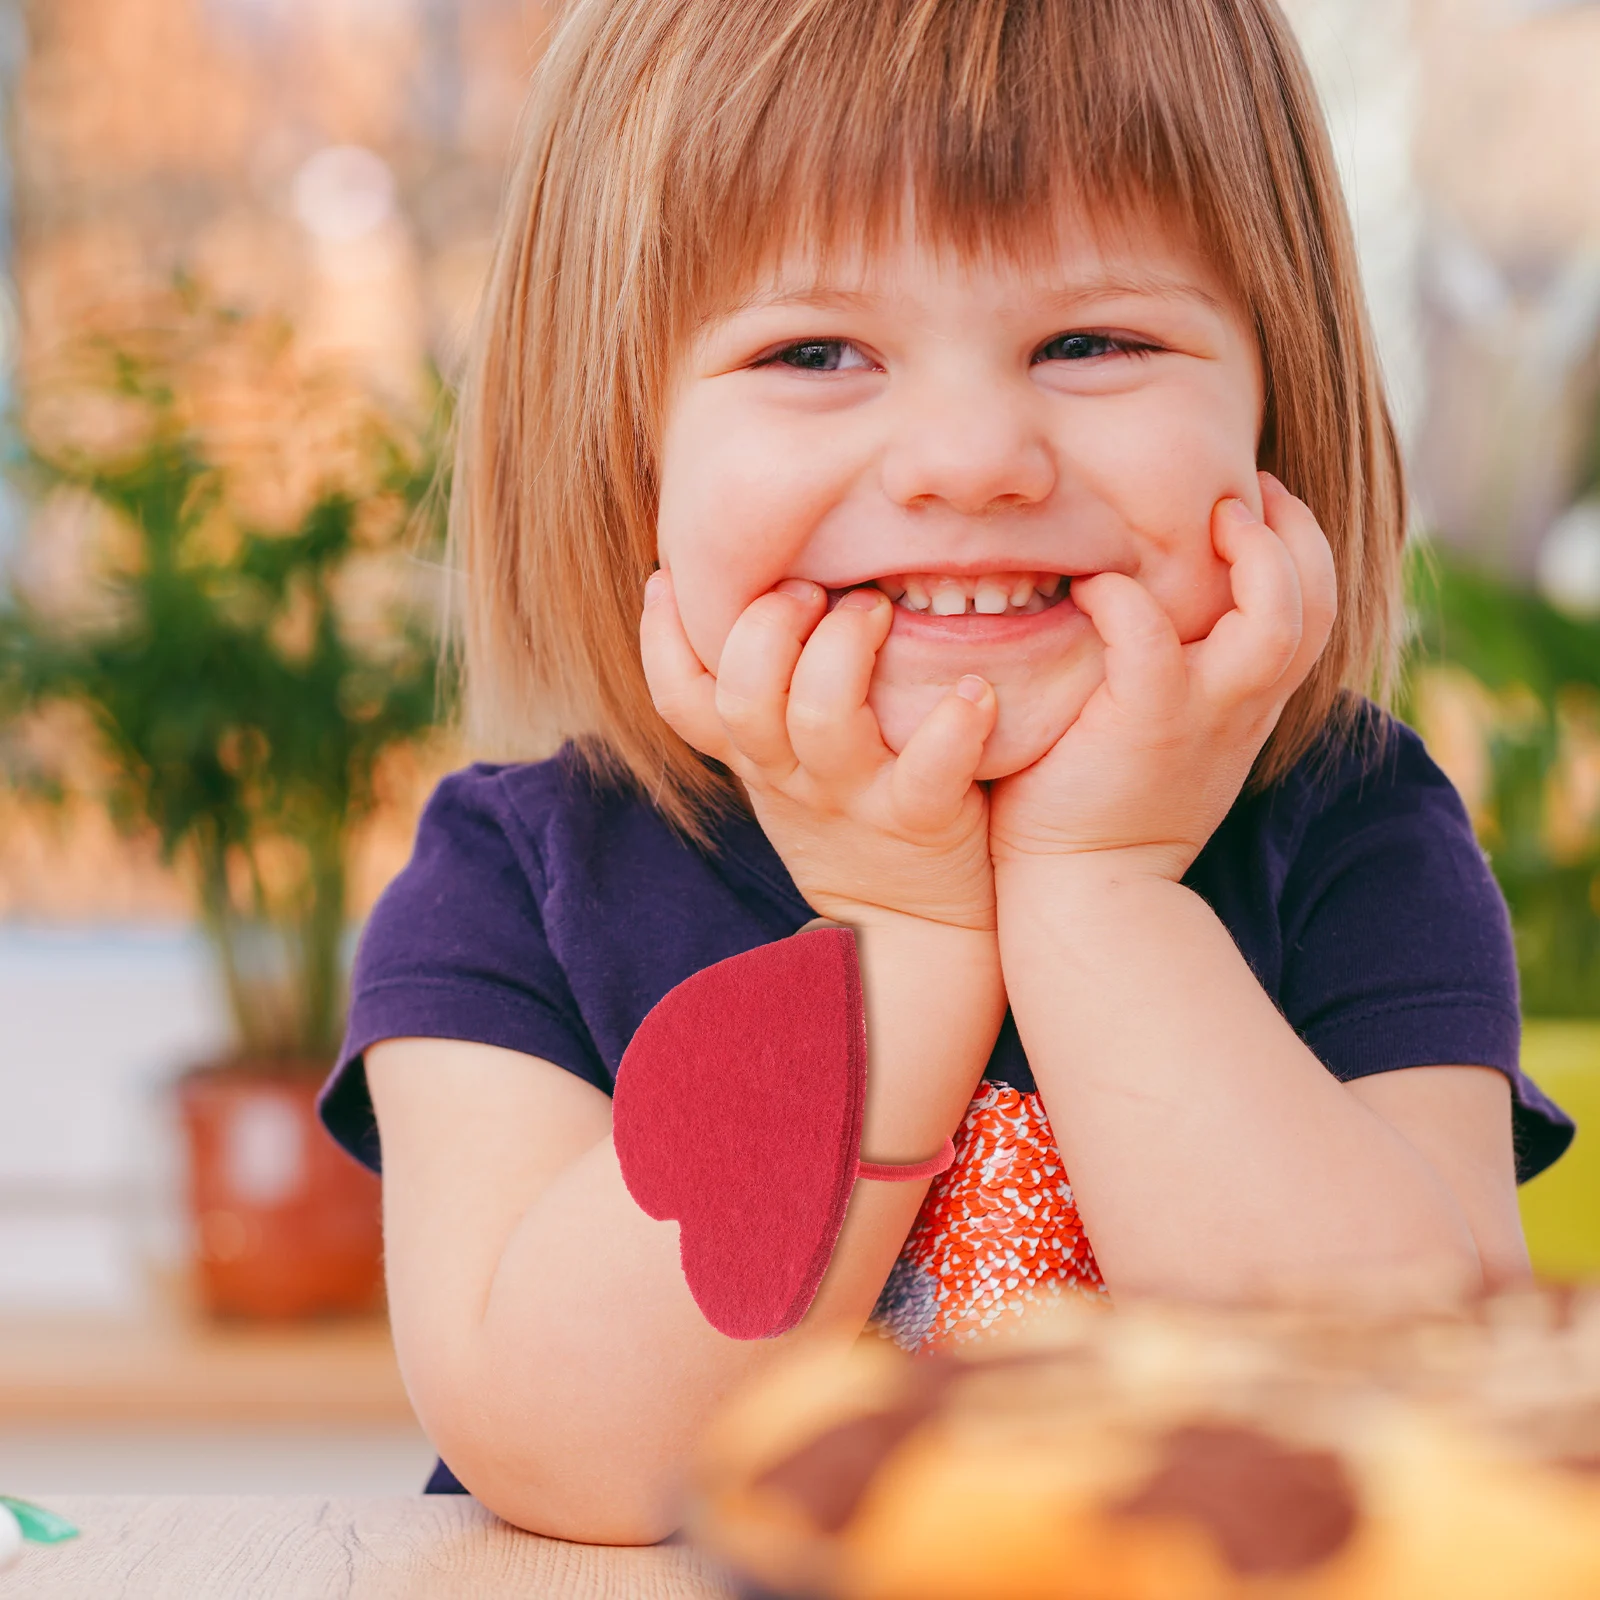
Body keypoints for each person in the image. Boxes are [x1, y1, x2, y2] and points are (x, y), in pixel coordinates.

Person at [316, 0, 1573, 1545]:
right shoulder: (514, 880)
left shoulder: (1360, 834)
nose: (972, 454)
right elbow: (580, 1457)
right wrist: (895, 939)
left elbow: (1412, 1416)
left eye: (1092, 341)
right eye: (816, 350)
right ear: (626, 451)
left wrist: (1098, 899)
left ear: (1275, 408)